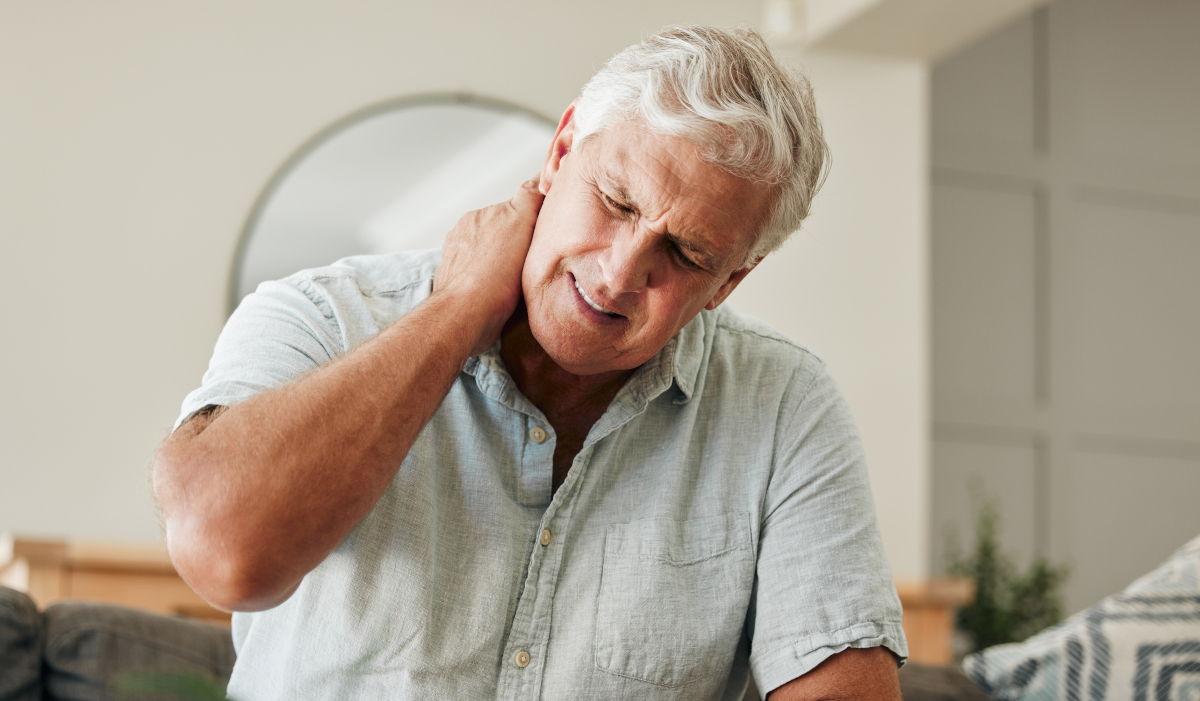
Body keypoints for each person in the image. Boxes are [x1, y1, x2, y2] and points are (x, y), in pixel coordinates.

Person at [153, 25, 906, 701]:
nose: (617, 274)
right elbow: (226, 556)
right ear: (560, 149)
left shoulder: (784, 405)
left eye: (684, 253)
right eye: (615, 200)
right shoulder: (323, 313)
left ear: (731, 280)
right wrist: (456, 311)